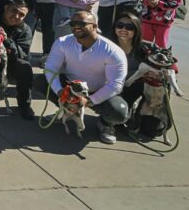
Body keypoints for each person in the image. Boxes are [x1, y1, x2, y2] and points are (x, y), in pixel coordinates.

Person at [44, 10, 129, 145]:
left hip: (98, 90)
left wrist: (89, 100)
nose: (76, 26)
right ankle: (65, 110)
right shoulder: (62, 42)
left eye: (81, 23)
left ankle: (106, 124)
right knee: (40, 82)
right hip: (70, 88)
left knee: (118, 112)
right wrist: (60, 92)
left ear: (95, 26)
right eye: (73, 23)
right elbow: (50, 68)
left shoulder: (112, 51)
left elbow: (116, 84)